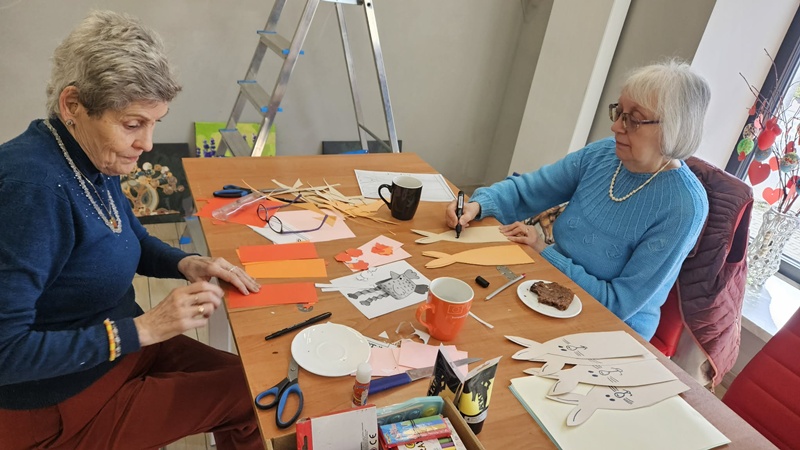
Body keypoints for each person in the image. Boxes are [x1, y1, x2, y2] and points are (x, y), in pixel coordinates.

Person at [0, 11, 264, 449]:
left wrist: (186, 263)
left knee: (256, 381)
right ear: (72, 105)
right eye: (133, 124)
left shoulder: (88, 153)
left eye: (155, 122)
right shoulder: (32, 191)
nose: (148, 143)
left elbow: (126, 235)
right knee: (251, 397)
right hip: (58, 402)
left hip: (117, 351)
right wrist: (145, 329)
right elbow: (6, 353)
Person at [446, 60, 711, 340]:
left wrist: (542, 250)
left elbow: (617, 304)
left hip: (610, 331)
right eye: (618, 112)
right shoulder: (604, 154)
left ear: (673, 129)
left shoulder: (684, 207)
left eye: (633, 119)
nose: (615, 127)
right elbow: (530, 189)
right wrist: (478, 205)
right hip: (550, 286)